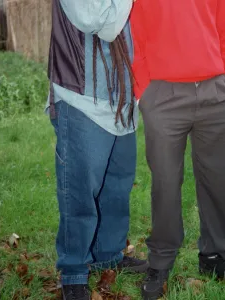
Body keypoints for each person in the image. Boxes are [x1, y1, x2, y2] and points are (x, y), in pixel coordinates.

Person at [130, 0, 225, 298]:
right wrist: (144, 91)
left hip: (216, 92)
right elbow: (134, 32)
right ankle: (161, 260)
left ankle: (216, 255)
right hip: (163, 95)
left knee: (218, 179)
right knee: (166, 182)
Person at [46, 1, 147, 299]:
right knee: (79, 190)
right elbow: (99, 21)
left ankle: (109, 254)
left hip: (122, 98)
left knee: (117, 186)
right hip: (83, 96)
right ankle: (75, 270)